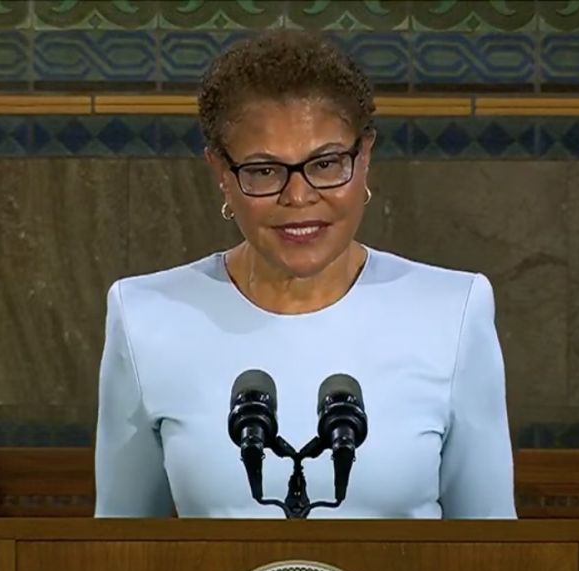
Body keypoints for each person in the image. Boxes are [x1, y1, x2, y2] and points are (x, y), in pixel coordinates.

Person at [94, 30, 516, 520]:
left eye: (327, 162)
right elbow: (119, 549)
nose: (298, 197)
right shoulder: (146, 316)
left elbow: (491, 547)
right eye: (264, 170)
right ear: (221, 173)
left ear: (365, 158)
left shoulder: (455, 310)